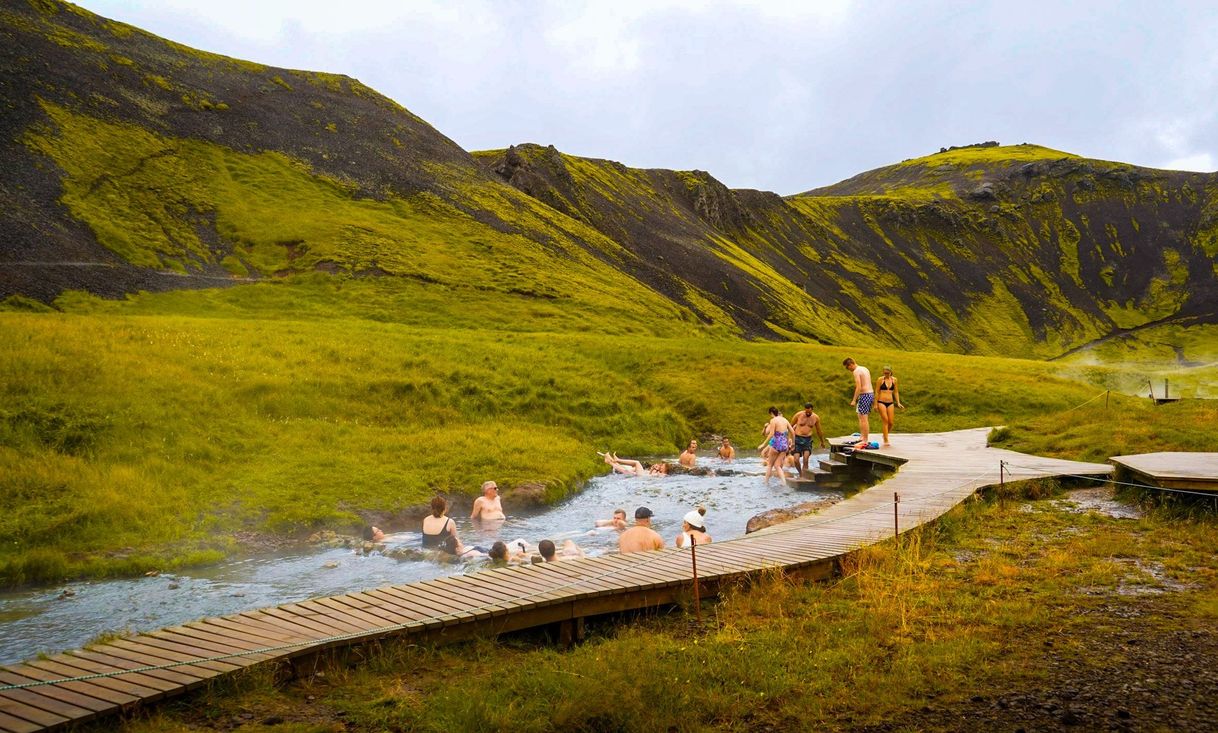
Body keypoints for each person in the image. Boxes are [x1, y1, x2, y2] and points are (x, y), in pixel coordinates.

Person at [843, 358, 874, 449]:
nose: (849, 370)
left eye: (848, 368)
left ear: (851, 364)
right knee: (861, 416)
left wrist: (854, 400)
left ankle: (865, 439)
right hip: (870, 394)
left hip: (864, 395)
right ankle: (862, 437)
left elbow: (859, 386)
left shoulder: (856, 371)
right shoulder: (864, 368)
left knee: (863, 418)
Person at [791, 402, 828, 476]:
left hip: (807, 440)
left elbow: (819, 431)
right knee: (796, 460)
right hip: (797, 439)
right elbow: (790, 426)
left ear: (812, 410)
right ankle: (800, 473)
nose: (807, 413)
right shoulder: (798, 415)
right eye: (806, 412)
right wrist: (789, 439)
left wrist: (822, 442)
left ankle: (804, 475)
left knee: (805, 459)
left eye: (809, 412)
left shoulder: (816, 417)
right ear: (805, 410)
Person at [759, 406, 793, 482]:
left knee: (770, 465)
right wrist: (792, 443)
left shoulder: (773, 420)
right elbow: (793, 432)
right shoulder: (785, 420)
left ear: (771, 413)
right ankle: (784, 483)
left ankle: (766, 482)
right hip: (784, 445)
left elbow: (771, 434)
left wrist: (763, 444)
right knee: (777, 466)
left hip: (776, 444)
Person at [874, 366, 905, 447]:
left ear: (891, 372)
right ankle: (886, 439)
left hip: (890, 402)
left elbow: (896, 392)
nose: (886, 374)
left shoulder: (894, 380)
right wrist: (875, 404)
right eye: (885, 373)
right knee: (885, 420)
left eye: (887, 373)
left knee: (891, 422)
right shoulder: (880, 379)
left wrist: (898, 402)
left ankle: (885, 434)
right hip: (881, 402)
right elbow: (877, 392)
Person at [602, 452, 670, 477]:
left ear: (666, 469)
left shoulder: (663, 474)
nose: (661, 467)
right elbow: (651, 475)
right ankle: (609, 461)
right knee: (626, 471)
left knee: (637, 462)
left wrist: (653, 470)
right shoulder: (659, 472)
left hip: (643, 476)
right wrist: (652, 469)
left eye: (662, 467)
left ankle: (617, 460)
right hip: (643, 475)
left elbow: (651, 476)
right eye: (661, 466)